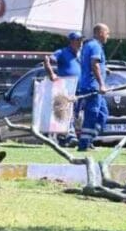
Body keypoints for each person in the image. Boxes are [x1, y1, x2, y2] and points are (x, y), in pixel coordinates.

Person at [44, 31, 83, 145]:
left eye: (81, 40)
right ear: (71, 41)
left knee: (77, 114)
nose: (80, 43)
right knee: (67, 111)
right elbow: (47, 59)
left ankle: (71, 136)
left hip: (80, 88)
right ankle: (70, 136)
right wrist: (52, 74)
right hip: (67, 87)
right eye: (78, 40)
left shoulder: (82, 54)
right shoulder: (62, 52)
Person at [76, 23, 110, 151]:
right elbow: (94, 65)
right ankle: (84, 144)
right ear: (100, 33)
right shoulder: (95, 46)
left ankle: (89, 140)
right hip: (93, 87)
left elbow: (92, 64)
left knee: (103, 114)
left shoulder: (87, 45)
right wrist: (101, 84)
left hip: (91, 86)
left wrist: (105, 69)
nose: (108, 36)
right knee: (93, 114)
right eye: (107, 33)